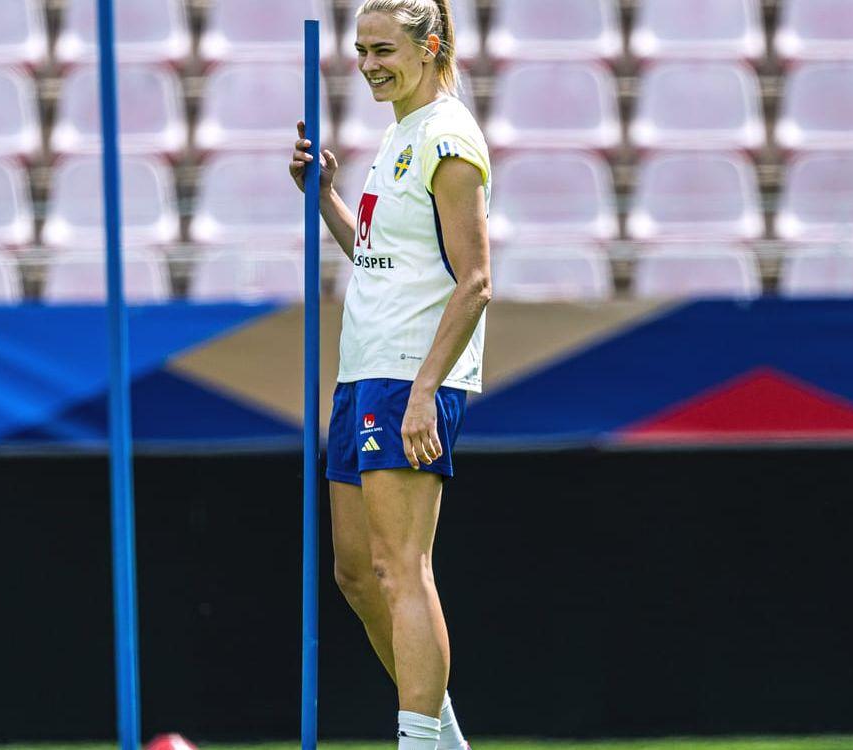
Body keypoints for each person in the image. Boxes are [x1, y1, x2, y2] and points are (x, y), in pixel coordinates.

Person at [289, 0, 492, 747]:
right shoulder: (399, 134)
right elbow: (379, 259)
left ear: (430, 45)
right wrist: (327, 201)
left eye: (383, 49)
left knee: (402, 566)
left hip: (408, 372)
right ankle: (443, 735)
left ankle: (418, 742)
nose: (369, 64)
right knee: (354, 573)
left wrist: (425, 393)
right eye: (361, 50)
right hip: (363, 366)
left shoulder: (448, 139)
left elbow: (474, 281)